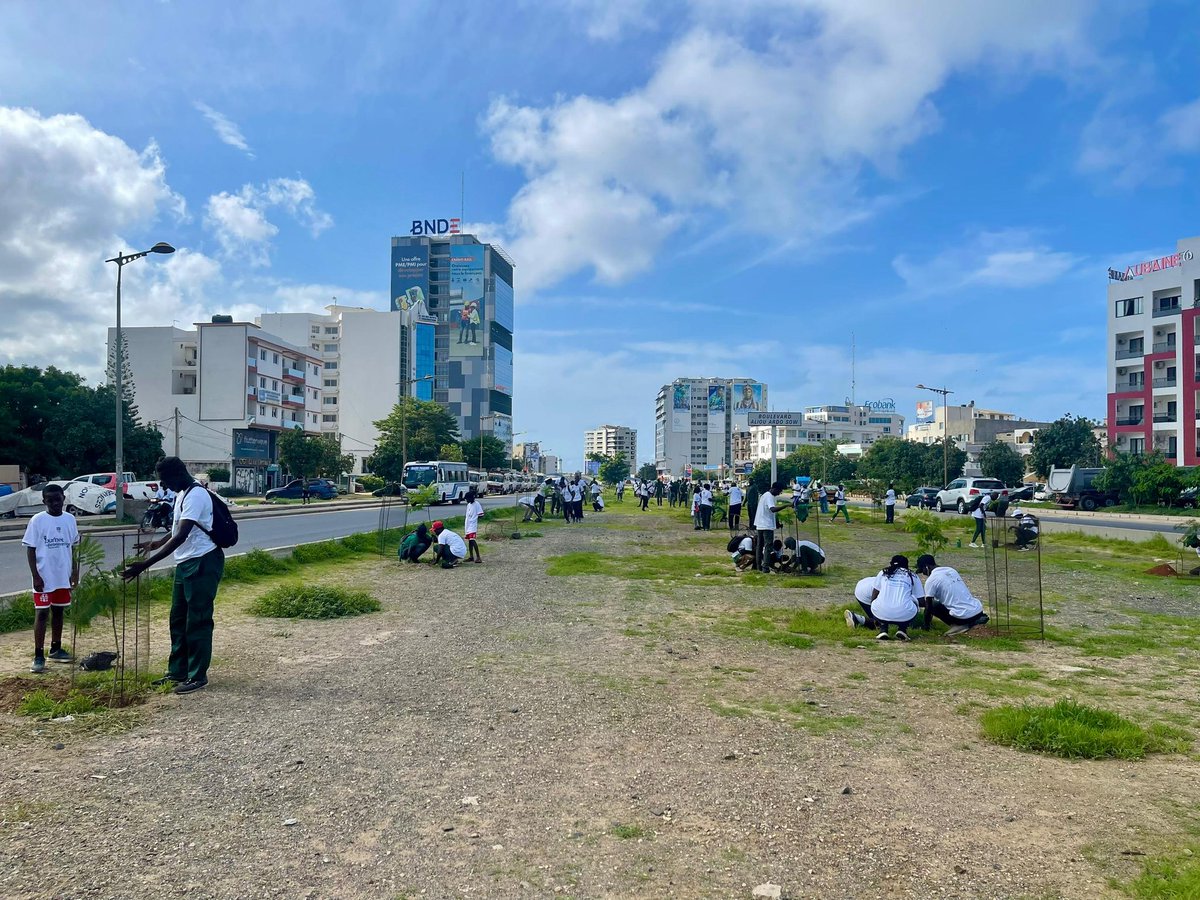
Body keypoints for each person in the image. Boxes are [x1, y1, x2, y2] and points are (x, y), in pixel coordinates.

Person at [123, 456, 225, 694]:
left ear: (178, 474)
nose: (165, 486)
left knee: (197, 619)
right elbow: (176, 531)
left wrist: (145, 564)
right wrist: (157, 544)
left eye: (165, 480)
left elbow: (181, 536)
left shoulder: (197, 495)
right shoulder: (181, 494)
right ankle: (177, 670)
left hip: (203, 561)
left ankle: (197, 675)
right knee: (178, 618)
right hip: (185, 562)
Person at [23, 483, 80, 673]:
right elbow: (31, 549)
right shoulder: (37, 520)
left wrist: (75, 572)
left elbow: (74, 547)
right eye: (51, 500)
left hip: (63, 576)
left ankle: (56, 648)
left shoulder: (70, 519)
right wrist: (36, 576)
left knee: (59, 611)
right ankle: (38, 655)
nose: (55, 503)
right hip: (44, 577)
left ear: (64, 498)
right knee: (42, 614)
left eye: (58, 499)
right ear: (44, 501)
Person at [915, 555, 990, 636]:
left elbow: (928, 607)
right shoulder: (951, 570)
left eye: (922, 571)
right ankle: (974, 620)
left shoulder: (931, 580)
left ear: (926, 567)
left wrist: (926, 626)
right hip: (978, 610)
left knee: (933, 604)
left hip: (963, 617)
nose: (924, 574)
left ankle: (958, 626)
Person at [869, 554, 923, 640]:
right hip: (905, 614)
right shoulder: (912, 575)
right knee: (914, 602)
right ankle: (902, 629)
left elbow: (874, 594)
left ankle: (883, 629)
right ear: (906, 564)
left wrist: (874, 612)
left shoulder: (883, 572)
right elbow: (921, 600)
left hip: (880, 612)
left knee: (880, 601)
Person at [754, 481, 784, 573]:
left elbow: (767, 511)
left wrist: (777, 523)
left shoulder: (764, 495)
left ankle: (758, 566)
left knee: (760, 546)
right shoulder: (769, 496)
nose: (779, 493)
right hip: (766, 526)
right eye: (779, 491)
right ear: (775, 489)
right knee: (768, 546)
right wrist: (785, 506)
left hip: (760, 524)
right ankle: (765, 567)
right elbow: (772, 509)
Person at [463, 490, 484, 563]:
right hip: (468, 524)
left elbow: (481, 514)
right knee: (470, 540)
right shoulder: (468, 505)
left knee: (472, 540)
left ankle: (478, 557)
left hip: (472, 525)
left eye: (467, 499)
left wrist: (475, 518)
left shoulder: (476, 504)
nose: (466, 500)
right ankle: (471, 556)